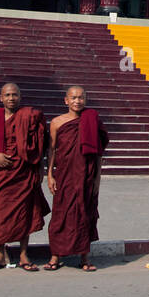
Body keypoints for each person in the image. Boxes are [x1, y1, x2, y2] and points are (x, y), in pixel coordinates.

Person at [0, 82, 50, 272]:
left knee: (24, 215)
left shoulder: (29, 117)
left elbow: (42, 146)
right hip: (1, 174)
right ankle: (1, 255)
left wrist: (42, 171)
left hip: (23, 172)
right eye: (8, 95)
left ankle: (23, 255)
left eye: (15, 95)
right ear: (0, 98)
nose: (11, 98)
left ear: (20, 97)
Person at [44, 85, 108, 271]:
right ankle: (55, 256)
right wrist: (49, 175)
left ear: (85, 100)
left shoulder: (92, 120)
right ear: (66, 100)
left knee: (84, 214)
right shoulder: (57, 123)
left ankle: (84, 258)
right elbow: (52, 150)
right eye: (73, 98)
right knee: (59, 216)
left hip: (86, 176)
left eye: (81, 97)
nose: (77, 101)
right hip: (64, 176)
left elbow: (98, 153)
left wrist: (97, 180)